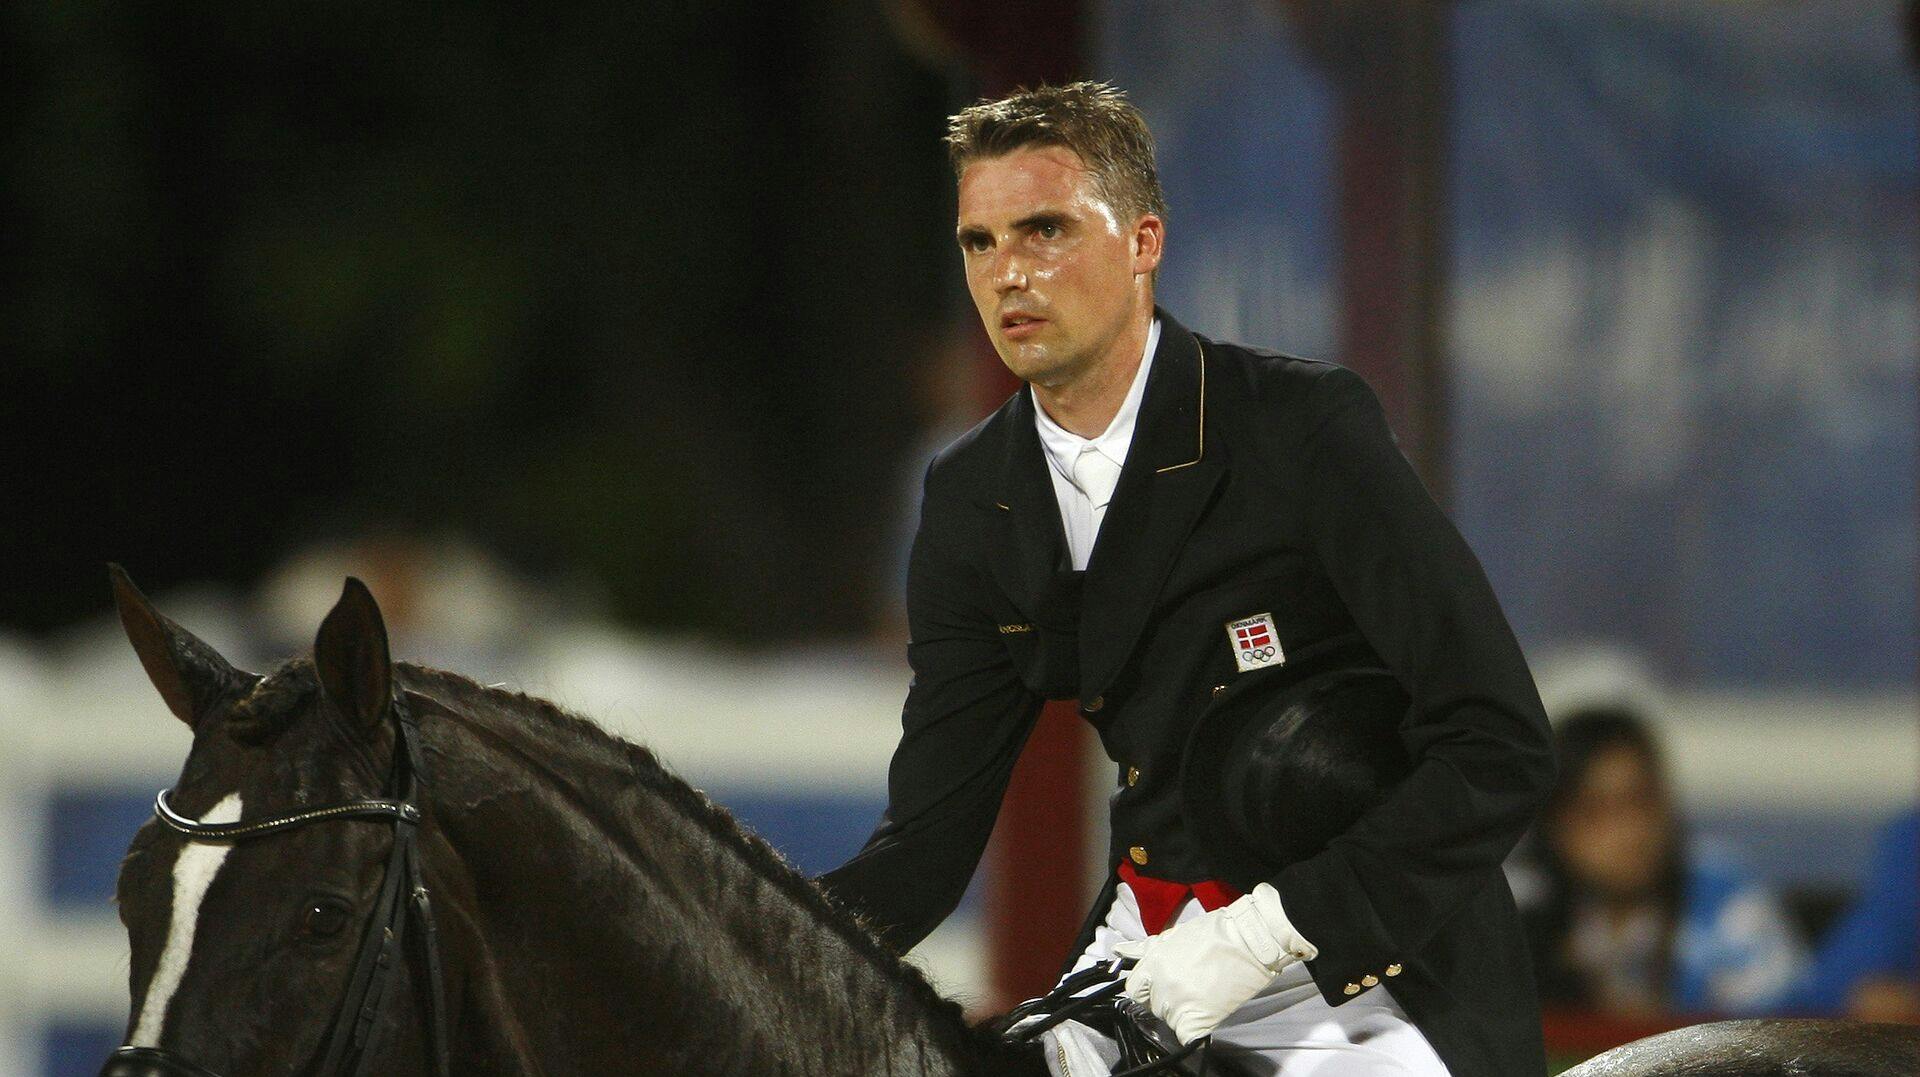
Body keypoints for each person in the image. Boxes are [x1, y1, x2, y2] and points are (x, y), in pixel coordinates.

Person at [819, 82, 1556, 1076]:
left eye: (1044, 230)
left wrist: (1265, 932)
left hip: (1367, 960)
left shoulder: (1300, 429)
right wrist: (747, 945)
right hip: (1150, 951)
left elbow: (1499, 742)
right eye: (979, 243)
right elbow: (926, 846)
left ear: (1144, 242)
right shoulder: (970, 496)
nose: (1008, 276)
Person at [1516, 706, 1808, 1016]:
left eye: (1642, 801)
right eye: (1596, 811)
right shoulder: (1519, 910)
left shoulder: (1728, 901)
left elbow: (1777, 1041)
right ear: (1554, 826)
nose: (1629, 831)